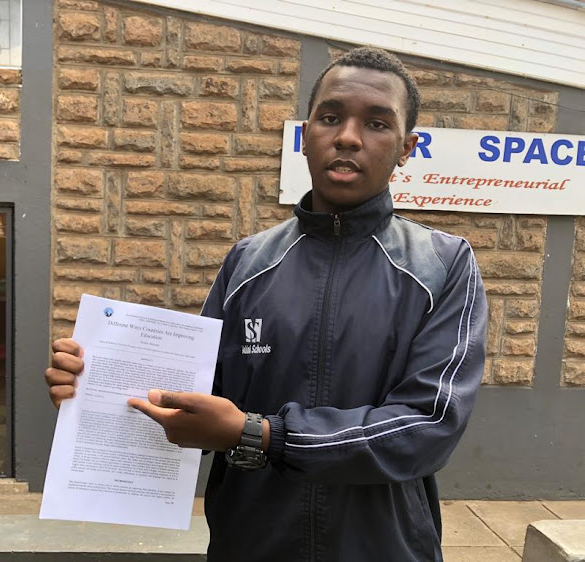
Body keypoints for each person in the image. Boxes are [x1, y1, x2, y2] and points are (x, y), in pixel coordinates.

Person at [45, 47, 487, 561]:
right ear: (305, 136)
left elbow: (428, 426)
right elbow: (199, 400)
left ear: (407, 147)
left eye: (376, 123)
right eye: (330, 117)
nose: (347, 136)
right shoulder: (248, 262)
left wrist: (264, 435)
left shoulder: (444, 265)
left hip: (385, 548)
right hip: (250, 544)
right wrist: (95, 382)